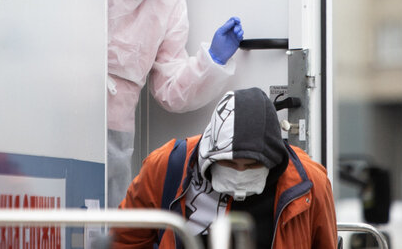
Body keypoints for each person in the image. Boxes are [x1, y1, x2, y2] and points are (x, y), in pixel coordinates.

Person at [107, 0, 245, 207]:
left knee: (104, 223)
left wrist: (213, 61)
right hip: (67, 119)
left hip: (116, 134)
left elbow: (171, 89)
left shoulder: (169, 1)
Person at [112, 87, 338, 249]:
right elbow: (125, 240)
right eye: (229, 163)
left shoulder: (308, 183)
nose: (240, 173)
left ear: (273, 161)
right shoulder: (166, 166)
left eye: (251, 165)